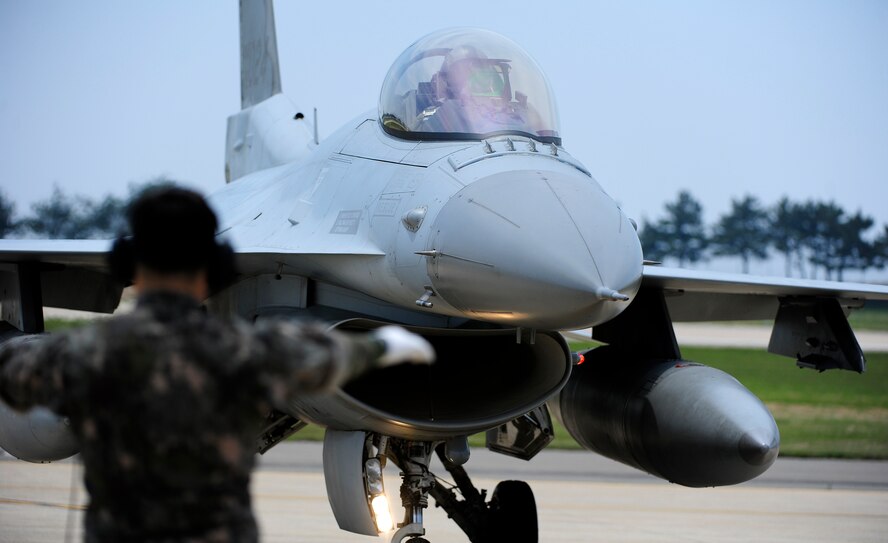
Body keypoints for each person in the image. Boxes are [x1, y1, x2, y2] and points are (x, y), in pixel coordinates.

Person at [0, 187, 435, 542]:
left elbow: (14, 368)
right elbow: (335, 356)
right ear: (213, 267)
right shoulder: (248, 351)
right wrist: (387, 345)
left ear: (130, 266)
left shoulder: (86, 353)